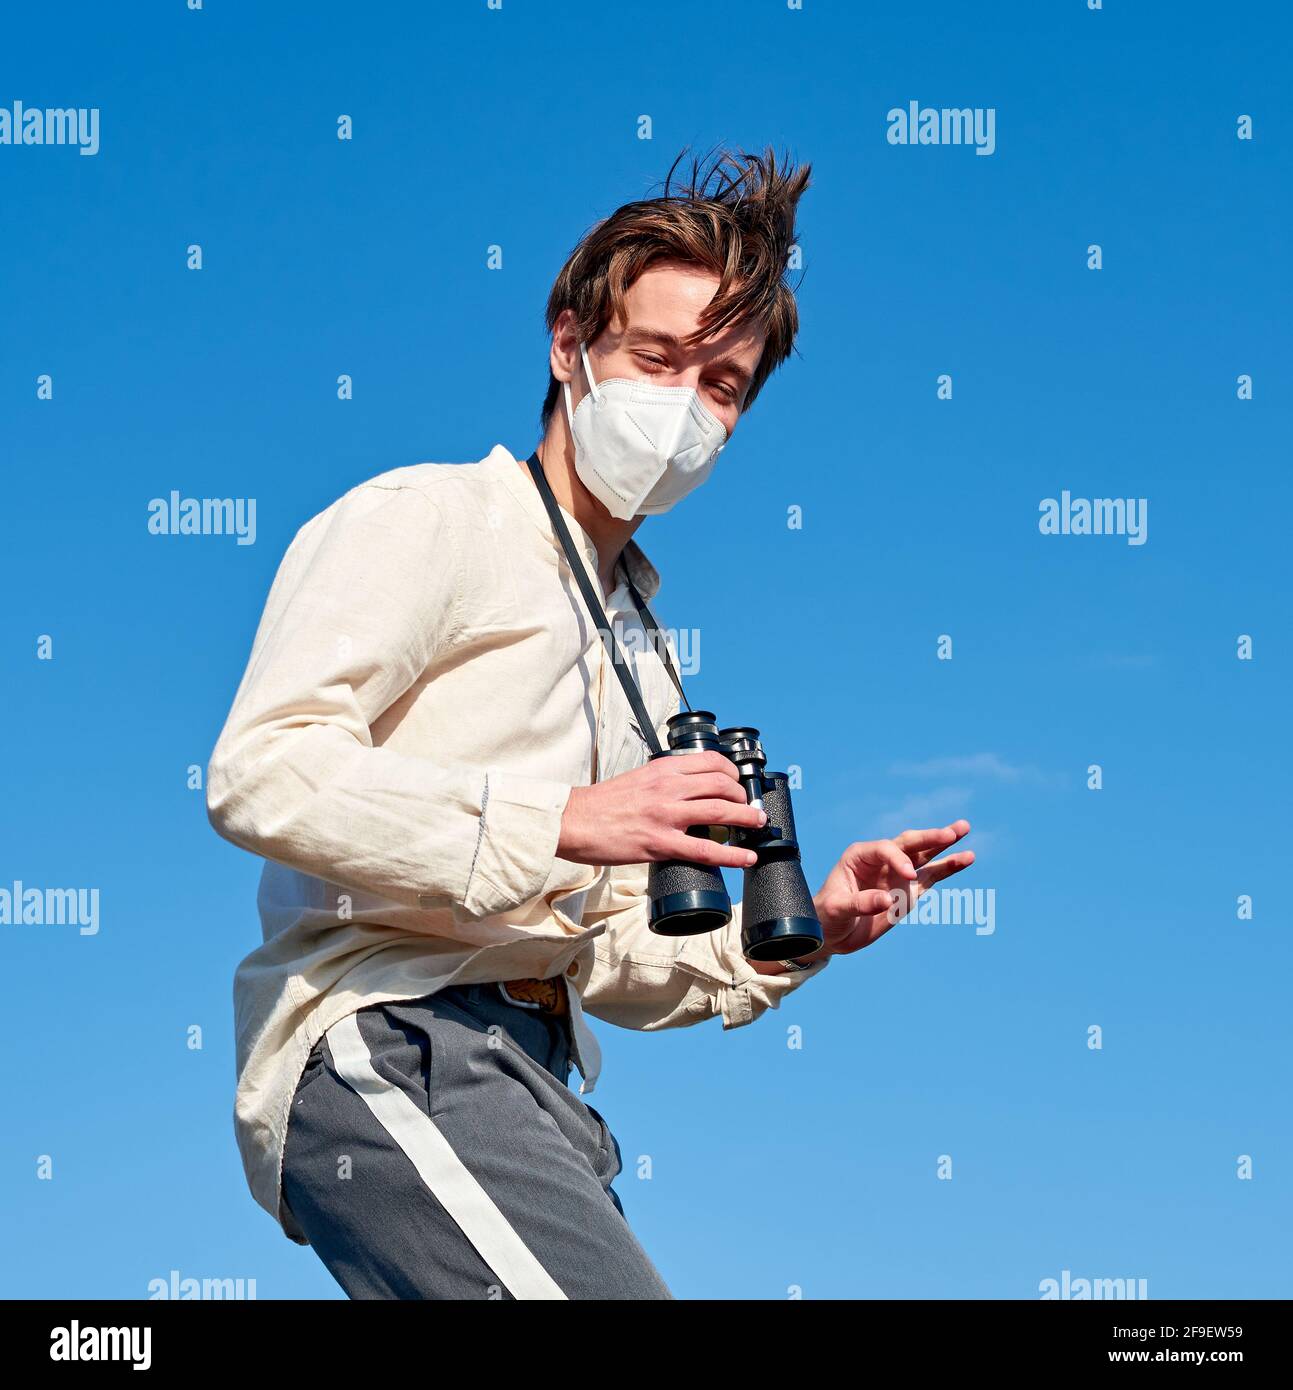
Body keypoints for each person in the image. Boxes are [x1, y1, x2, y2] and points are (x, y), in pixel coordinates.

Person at [206, 146, 975, 1300]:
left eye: (720, 386)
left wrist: (804, 928)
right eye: (656, 358)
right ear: (569, 346)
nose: (682, 405)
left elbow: (612, 954)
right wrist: (568, 817)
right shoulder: (435, 519)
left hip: (543, 1082)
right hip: (393, 1038)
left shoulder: (644, 652)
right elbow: (262, 773)